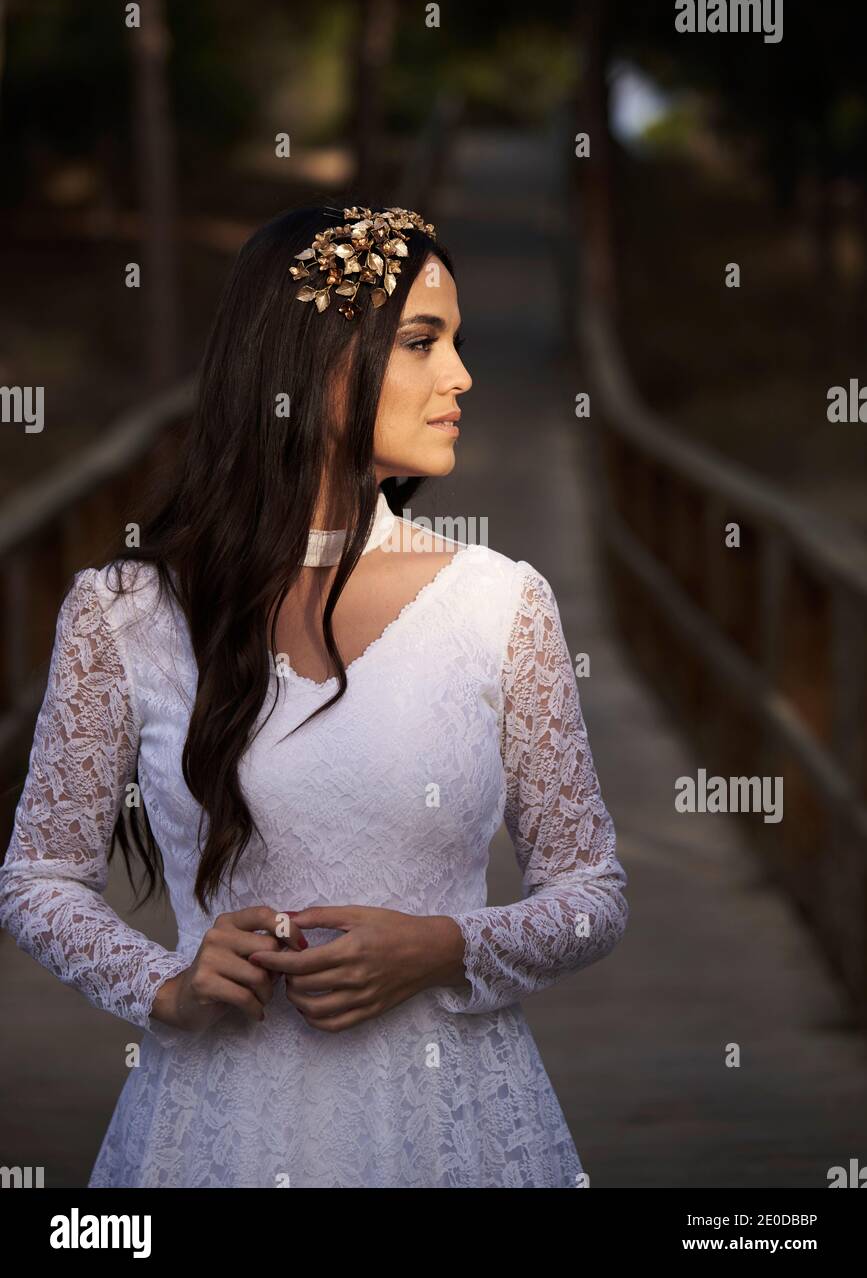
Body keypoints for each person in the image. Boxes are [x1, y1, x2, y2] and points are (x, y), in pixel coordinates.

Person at [0, 203, 628, 1188]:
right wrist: (168, 987)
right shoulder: (124, 612)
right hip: (216, 1126)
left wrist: (442, 947)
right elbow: (38, 874)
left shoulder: (501, 603)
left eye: (456, 343)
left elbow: (591, 891)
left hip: (453, 1124)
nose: (460, 376)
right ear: (313, 359)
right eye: (421, 342)